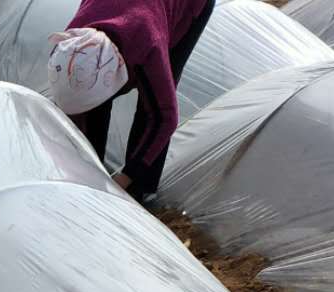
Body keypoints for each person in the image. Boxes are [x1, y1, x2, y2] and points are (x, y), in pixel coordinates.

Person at [47, 0, 215, 201]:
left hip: (184, 6)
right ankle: (90, 172)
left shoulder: (149, 45)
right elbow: (71, 94)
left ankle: (139, 192)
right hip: (135, 13)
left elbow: (165, 117)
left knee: (152, 106)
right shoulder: (71, 41)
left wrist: (125, 179)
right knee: (89, 101)